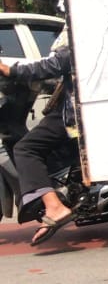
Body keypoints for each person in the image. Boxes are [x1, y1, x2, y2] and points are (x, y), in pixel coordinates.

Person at [0, 32, 79, 245]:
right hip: (75, 104)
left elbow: (55, 64)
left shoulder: (77, 24)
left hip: (73, 112)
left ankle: (54, 206)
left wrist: (12, 70)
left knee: (26, 149)